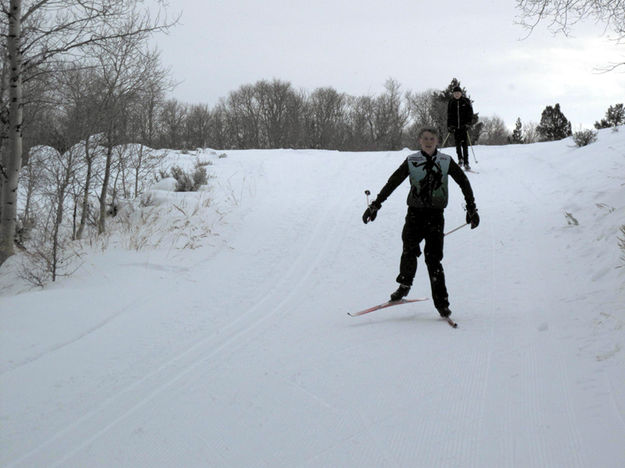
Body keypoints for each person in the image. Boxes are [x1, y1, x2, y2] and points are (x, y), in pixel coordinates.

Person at [361, 127, 479, 318]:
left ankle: (442, 304)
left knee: (433, 260)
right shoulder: (412, 160)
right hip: (414, 214)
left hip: (435, 216)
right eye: (425, 138)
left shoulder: (446, 161)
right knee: (409, 249)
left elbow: (464, 182)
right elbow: (393, 182)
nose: (428, 141)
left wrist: (472, 208)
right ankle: (404, 286)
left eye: (432, 138)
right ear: (419, 141)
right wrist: (375, 205)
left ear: (437, 141)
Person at [447, 86, 474, 170]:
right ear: (453, 94)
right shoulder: (451, 102)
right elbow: (449, 115)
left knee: (464, 145)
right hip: (455, 127)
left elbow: (470, 113)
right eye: (455, 93)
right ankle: (460, 159)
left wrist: (468, 124)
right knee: (457, 144)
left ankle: (466, 163)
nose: (456, 94)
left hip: (463, 127)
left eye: (458, 93)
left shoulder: (466, 101)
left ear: (461, 93)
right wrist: (449, 126)